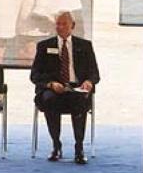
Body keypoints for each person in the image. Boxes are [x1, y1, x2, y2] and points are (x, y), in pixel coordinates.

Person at [30, 11, 99, 164]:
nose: (60, 27)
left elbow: (94, 73)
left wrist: (89, 82)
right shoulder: (44, 46)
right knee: (49, 100)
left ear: (72, 26)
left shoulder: (85, 46)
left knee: (80, 101)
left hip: (76, 88)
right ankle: (56, 144)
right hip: (53, 88)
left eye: (64, 24)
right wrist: (50, 84)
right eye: (58, 24)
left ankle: (79, 148)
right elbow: (34, 75)